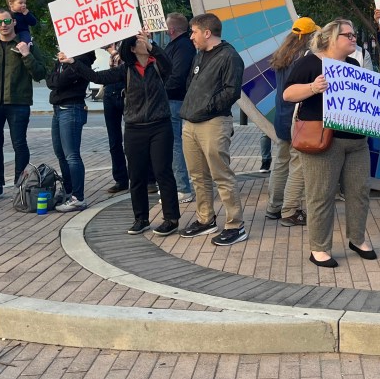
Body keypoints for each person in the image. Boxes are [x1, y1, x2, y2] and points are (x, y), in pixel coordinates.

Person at [64, 31, 181, 236]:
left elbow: (169, 66)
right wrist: (73, 62)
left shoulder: (157, 64)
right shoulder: (125, 69)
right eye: (140, 42)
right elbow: (97, 77)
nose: (144, 42)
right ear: (133, 49)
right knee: (136, 175)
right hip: (135, 128)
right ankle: (141, 218)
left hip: (159, 126)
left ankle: (171, 218)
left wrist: (153, 47)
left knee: (163, 172)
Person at [283, 19, 376, 267]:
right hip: (323, 141)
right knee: (321, 195)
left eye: (354, 34)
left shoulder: (355, 64)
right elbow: (288, 94)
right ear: (332, 38)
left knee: (359, 192)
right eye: (348, 35)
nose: (353, 38)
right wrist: (314, 87)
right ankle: (319, 248)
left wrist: (379, 104)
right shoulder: (310, 63)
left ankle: (357, 238)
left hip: (356, 140)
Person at [179, 13, 248, 247]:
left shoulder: (230, 56)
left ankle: (235, 225)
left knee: (221, 175)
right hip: (191, 123)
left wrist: (206, 107)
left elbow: (231, 92)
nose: (191, 37)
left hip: (213, 123)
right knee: (198, 175)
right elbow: (191, 84)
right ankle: (205, 219)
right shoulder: (200, 55)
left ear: (207, 33)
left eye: (194, 32)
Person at [0, 8, 48, 202]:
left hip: (18, 102)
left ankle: (20, 184)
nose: (3, 26)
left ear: (14, 22)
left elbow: (40, 73)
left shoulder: (26, 44)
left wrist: (26, 55)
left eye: (7, 22)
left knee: (19, 144)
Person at [268, 16, 317, 227]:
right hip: (298, 119)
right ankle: (290, 211)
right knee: (298, 164)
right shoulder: (306, 57)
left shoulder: (282, 55)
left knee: (280, 162)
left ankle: (274, 206)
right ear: (310, 36)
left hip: (281, 117)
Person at [46, 51, 94, 212]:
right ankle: (68, 190)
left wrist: (57, 79)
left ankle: (78, 197)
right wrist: (56, 78)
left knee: (71, 155)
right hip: (58, 108)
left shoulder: (81, 59)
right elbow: (50, 80)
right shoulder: (61, 57)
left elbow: (59, 81)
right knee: (60, 152)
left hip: (72, 108)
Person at [163, 13, 196, 203]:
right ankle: (178, 185)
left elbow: (177, 76)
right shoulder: (180, 45)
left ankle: (182, 188)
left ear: (172, 29)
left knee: (175, 144)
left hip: (175, 100)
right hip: (172, 99)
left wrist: (160, 88)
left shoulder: (182, 46)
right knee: (172, 144)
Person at [101, 43, 130, 194]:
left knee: (133, 138)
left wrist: (112, 51)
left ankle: (146, 178)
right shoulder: (109, 38)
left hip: (127, 88)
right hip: (110, 88)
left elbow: (128, 62)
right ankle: (121, 179)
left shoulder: (130, 39)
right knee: (114, 140)